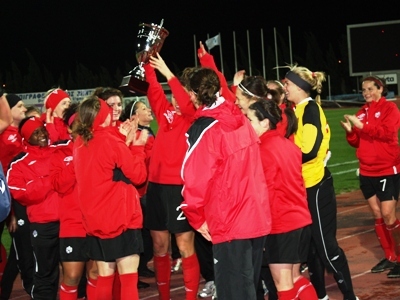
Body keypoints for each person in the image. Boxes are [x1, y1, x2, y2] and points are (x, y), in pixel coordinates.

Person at [181, 67, 271, 300]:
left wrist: (196, 217)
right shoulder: (239, 117)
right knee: (248, 287)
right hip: (255, 214)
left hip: (230, 220)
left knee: (233, 292)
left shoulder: (205, 128)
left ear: (193, 94)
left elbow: (195, 178)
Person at [284, 64, 359, 300]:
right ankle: (321, 296)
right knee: (311, 248)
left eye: (287, 83)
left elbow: (310, 149)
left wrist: (282, 153)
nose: (284, 87)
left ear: (298, 86)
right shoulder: (298, 109)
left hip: (315, 185)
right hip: (303, 185)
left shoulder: (309, 110)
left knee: (325, 247)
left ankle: (350, 296)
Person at [73, 96, 148, 300]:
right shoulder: (111, 142)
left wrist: (124, 141)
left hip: (95, 220)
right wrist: (137, 146)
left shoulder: (80, 142)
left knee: (104, 277)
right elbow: (139, 176)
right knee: (128, 278)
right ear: (104, 116)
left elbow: (105, 166)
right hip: (120, 217)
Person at [247, 99, 317, 300]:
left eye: (249, 119)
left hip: (280, 224)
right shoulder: (289, 145)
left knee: (283, 284)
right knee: (295, 278)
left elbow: (263, 194)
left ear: (265, 123)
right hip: (300, 220)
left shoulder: (261, 151)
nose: (246, 124)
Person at [144, 53, 200, 300]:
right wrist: (146, 63)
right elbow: (153, 88)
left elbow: (186, 105)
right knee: (159, 246)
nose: (177, 99)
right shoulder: (165, 113)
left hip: (179, 188)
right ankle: (164, 296)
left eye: (184, 94)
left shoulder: (193, 117)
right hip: (155, 188)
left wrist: (168, 73)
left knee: (185, 245)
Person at [340, 75, 400, 278]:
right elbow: (356, 142)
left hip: (386, 169)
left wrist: (362, 127)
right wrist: (351, 132)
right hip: (366, 171)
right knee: (377, 214)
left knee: (388, 214)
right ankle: (390, 256)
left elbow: (387, 132)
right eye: (363, 90)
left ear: (380, 89)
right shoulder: (362, 112)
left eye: (369, 89)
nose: (366, 93)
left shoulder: (390, 109)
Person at [7, 116, 66, 300]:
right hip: (43, 224)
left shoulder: (61, 149)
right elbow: (20, 193)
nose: (41, 135)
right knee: (45, 274)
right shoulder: (18, 163)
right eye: (35, 132)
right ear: (26, 138)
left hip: (69, 221)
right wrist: (51, 180)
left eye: (42, 130)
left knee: (76, 272)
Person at [50, 102, 97, 300]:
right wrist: (78, 154)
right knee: (72, 276)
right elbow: (59, 184)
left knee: (96, 274)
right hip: (72, 223)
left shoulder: (100, 146)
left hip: (97, 222)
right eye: (77, 122)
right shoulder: (59, 152)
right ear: (69, 128)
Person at [0, 94, 35, 299]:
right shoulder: (6, 135)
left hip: (16, 201)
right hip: (8, 201)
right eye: (19, 106)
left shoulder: (19, 134)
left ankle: (6, 289)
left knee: (20, 249)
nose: (24, 109)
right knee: (22, 247)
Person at [120, 99, 156, 286]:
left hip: (148, 188)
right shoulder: (138, 135)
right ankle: (133, 274)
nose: (149, 110)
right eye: (143, 108)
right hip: (139, 191)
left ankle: (139, 268)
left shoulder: (149, 132)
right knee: (141, 236)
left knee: (146, 235)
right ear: (134, 116)